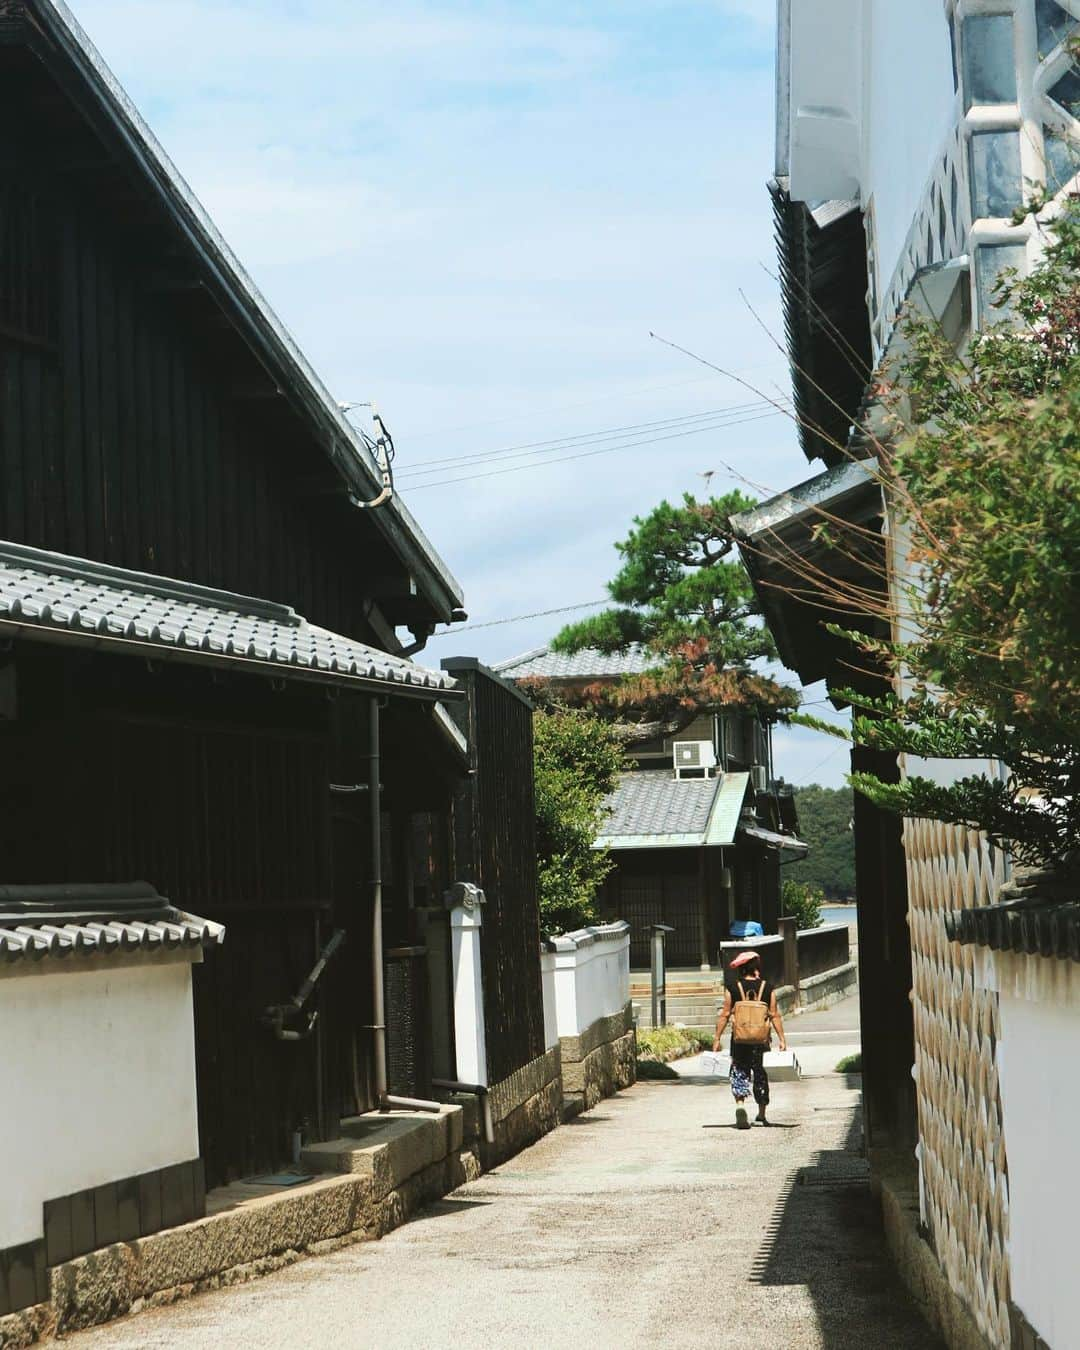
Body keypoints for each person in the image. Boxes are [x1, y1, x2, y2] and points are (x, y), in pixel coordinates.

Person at [713, 950, 787, 1129]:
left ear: (741, 968)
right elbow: (774, 1015)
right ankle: (761, 1115)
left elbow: (724, 1014)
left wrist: (716, 1038)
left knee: (739, 1071)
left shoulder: (732, 988)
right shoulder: (767, 988)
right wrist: (782, 1039)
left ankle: (740, 1105)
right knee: (760, 1074)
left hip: (739, 1040)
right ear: (756, 967)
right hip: (761, 1041)